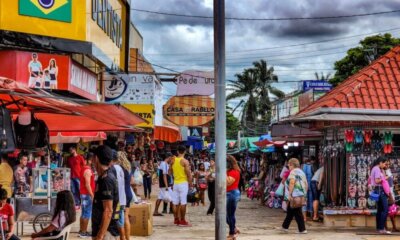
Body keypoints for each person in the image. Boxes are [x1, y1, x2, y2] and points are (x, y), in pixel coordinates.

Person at [92, 145, 119, 240]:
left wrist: (100, 236)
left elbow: (108, 210)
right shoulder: (103, 177)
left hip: (106, 234)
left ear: (96, 159)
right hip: (103, 232)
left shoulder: (106, 179)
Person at [281, 158, 308, 234]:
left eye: (289, 165)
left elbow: (292, 182)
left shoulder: (293, 172)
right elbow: (306, 184)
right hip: (301, 195)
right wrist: (305, 194)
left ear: (292, 165)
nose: (288, 166)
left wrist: (289, 194)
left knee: (297, 212)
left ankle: (302, 229)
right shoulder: (302, 172)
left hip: (294, 195)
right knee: (290, 211)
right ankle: (285, 226)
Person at [170, 145, 193, 227]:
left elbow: (169, 172)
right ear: (185, 152)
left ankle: (176, 219)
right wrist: (191, 184)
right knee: (183, 202)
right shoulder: (185, 161)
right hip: (183, 183)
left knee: (175, 203)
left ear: (177, 151)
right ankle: (182, 220)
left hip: (175, 183)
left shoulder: (173, 160)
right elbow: (189, 174)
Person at [370, 157, 391, 234]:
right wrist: (384, 178)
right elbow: (377, 180)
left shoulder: (375, 168)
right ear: (380, 162)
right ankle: (381, 228)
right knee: (385, 209)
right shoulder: (377, 169)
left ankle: (379, 228)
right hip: (380, 190)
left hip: (378, 190)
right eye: (384, 163)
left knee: (380, 210)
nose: (385, 165)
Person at [118, 151, 134, 240]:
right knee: (126, 217)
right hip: (129, 193)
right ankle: (127, 238)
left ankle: (122, 238)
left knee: (121, 218)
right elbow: (132, 181)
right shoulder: (128, 167)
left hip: (122, 194)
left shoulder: (119, 169)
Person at [78, 153, 95, 238]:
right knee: (87, 213)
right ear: (89, 160)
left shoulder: (84, 169)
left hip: (84, 193)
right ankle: (83, 232)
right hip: (87, 194)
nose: (92, 162)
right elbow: (87, 185)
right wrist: (92, 195)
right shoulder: (87, 170)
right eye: (92, 160)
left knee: (84, 213)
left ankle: (81, 230)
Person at [111, 150, 127, 240]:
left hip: (117, 201)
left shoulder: (114, 169)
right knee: (120, 222)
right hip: (121, 199)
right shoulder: (120, 168)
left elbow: (114, 185)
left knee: (117, 223)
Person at [226, 155, 241, 240]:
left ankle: (232, 234)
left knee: (230, 215)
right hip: (227, 193)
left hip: (232, 193)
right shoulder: (228, 171)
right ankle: (234, 228)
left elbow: (228, 182)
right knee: (225, 216)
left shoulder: (234, 171)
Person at [384, 160, 398, 232]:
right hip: (387, 193)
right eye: (386, 164)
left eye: (388, 164)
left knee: (392, 211)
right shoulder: (383, 172)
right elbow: (384, 182)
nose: (387, 165)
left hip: (391, 192)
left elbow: (390, 181)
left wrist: (393, 181)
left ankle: (394, 227)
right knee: (386, 211)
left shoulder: (388, 171)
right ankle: (385, 228)